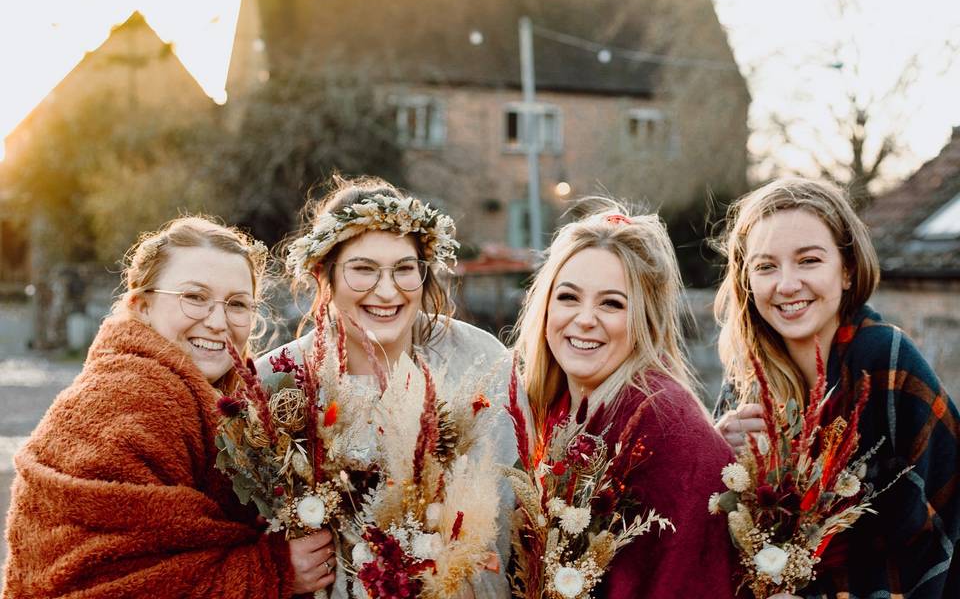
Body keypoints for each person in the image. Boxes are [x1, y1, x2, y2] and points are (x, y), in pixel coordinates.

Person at [3, 216, 337, 597]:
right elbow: (107, 582)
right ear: (141, 306)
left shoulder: (226, 400)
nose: (217, 322)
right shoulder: (129, 398)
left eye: (237, 304)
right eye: (194, 297)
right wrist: (272, 570)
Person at [258, 176, 516, 599]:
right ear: (325, 275)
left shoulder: (478, 361)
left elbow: (507, 512)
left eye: (403, 269)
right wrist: (277, 565)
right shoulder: (278, 380)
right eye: (362, 269)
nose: (386, 290)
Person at [713, 177, 960, 598]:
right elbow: (720, 542)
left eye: (808, 260)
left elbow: (946, 524)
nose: (786, 284)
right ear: (747, 282)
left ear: (846, 270)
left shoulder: (883, 358)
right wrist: (715, 454)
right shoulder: (745, 379)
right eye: (766, 266)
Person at [511, 199, 740, 599]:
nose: (584, 319)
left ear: (644, 320)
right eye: (568, 297)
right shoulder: (556, 413)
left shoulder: (664, 425)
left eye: (611, 304)